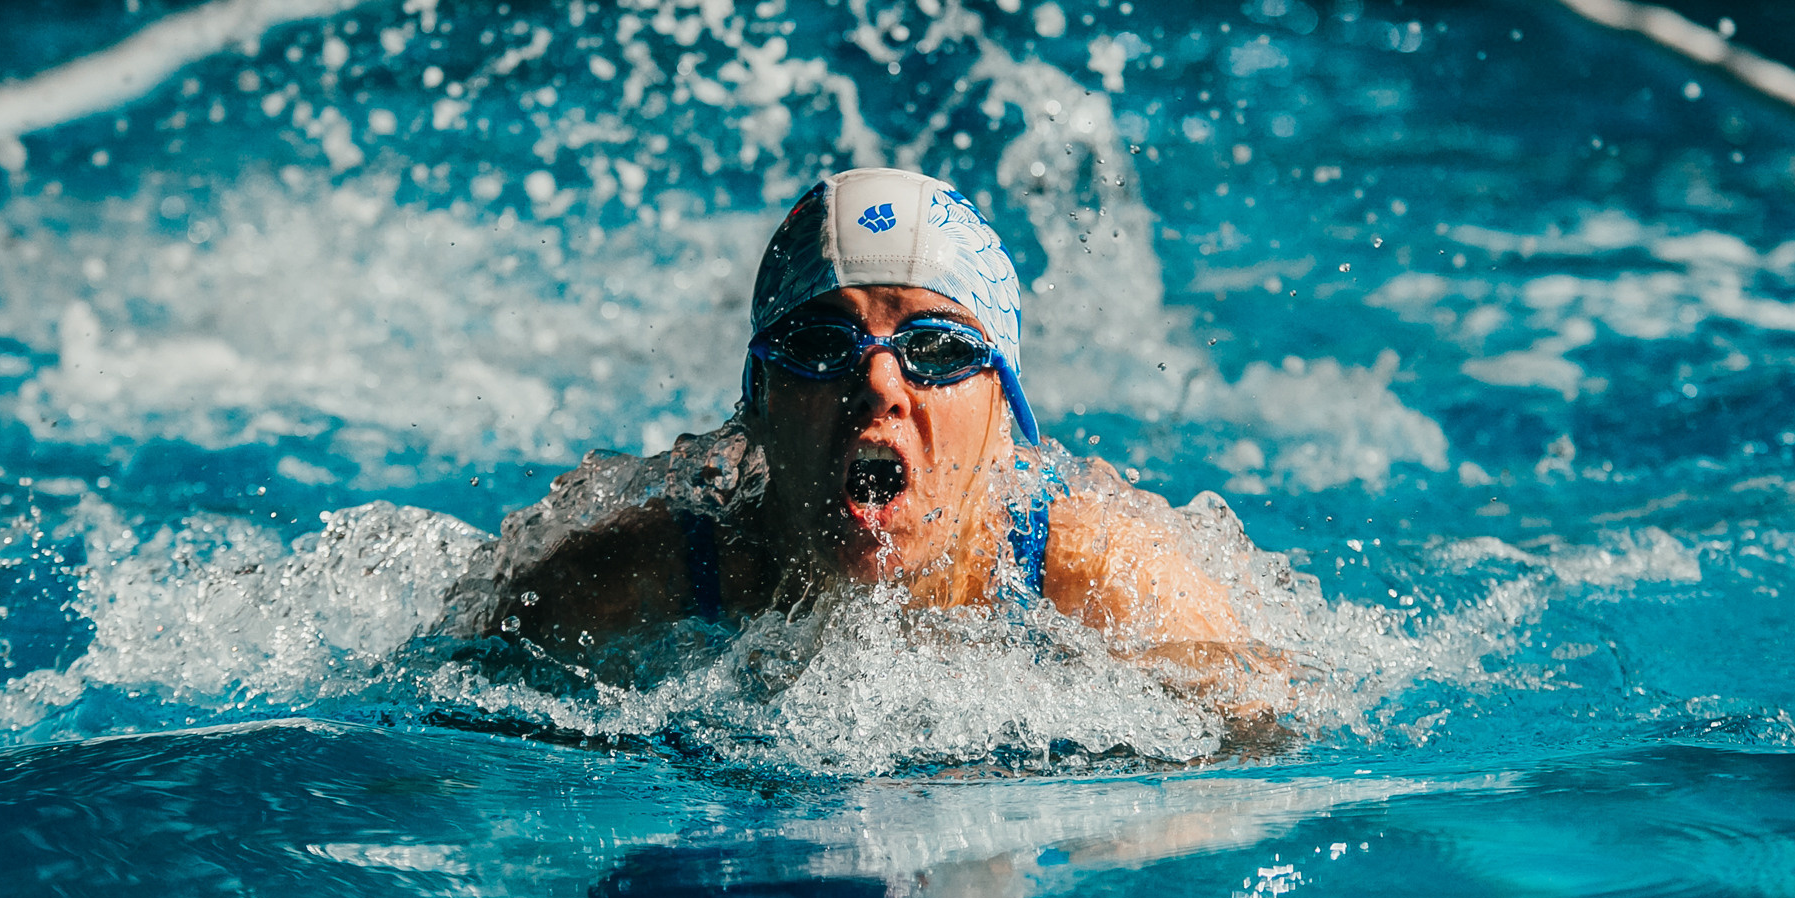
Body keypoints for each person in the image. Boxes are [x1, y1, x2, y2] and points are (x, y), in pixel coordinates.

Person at [472, 167, 1287, 723]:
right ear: (758, 403)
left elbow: (1261, 741)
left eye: (937, 348)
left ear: (1004, 410)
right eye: (820, 343)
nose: (879, 384)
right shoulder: (642, 573)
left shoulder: (1106, 580)